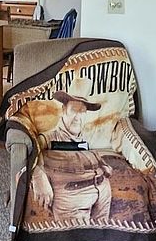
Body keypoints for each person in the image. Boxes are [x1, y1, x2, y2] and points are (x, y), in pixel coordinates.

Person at [30, 87, 114, 224]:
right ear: (64, 110)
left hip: (102, 191)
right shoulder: (50, 137)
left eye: (82, 112)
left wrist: (103, 165)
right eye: (74, 110)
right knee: (77, 233)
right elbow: (33, 148)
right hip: (72, 195)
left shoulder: (86, 138)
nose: (78, 117)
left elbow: (90, 154)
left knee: (101, 231)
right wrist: (38, 175)